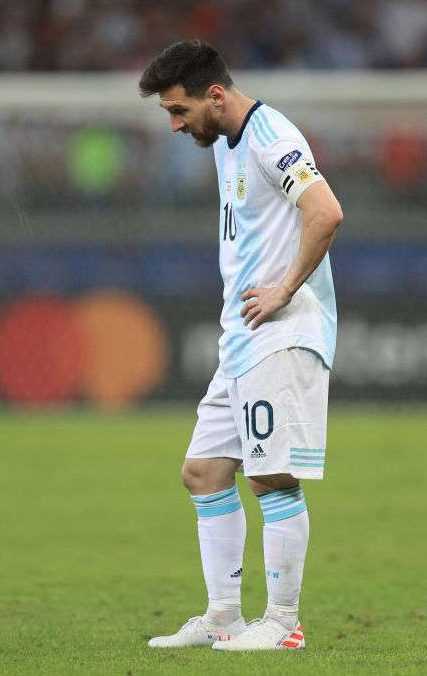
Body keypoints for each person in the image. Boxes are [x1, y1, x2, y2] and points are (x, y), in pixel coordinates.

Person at [138, 40, 343, 651]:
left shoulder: (271, 137)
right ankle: (223, 616)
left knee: (271, 477)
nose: (176, 126)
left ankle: (283, 624)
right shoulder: (227, 141)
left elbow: (325, 212)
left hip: (280, 334)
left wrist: (282, 289)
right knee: (203, 472)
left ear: (216, 95)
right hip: (243, 338)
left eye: (179, 111)